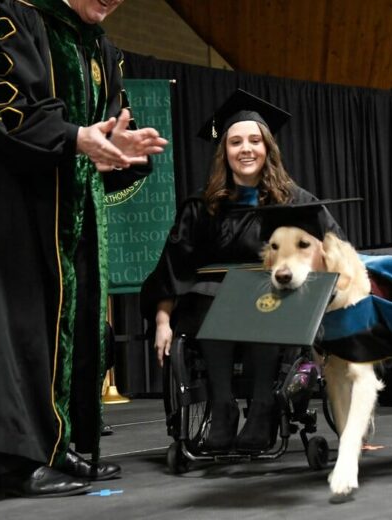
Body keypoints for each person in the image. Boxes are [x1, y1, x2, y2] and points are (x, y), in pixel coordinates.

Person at [0, 0, 168, 498]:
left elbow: (100, 130)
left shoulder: (101, 48)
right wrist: (75, 138)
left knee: (67, 327)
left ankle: (58, 446)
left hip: (65, 209)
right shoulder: (8, 15)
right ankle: (15, 461)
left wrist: (115, 149)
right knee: (16, 328)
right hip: (3, 211)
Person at [140, 89, 343, 452]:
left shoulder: (294, 203)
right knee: (214, 300)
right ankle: (223, 409)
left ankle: (263, 407)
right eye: (235, 142)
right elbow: (172, 267)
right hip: (209, 304)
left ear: (268, 149)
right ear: (225, 152)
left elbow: (336, 251)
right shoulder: (201, 207)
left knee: (259, 299)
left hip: (274, 303)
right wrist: (161, 321)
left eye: (254, 141)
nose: (246, 149)